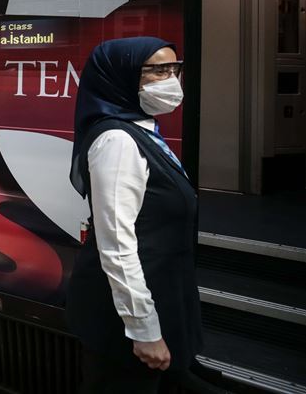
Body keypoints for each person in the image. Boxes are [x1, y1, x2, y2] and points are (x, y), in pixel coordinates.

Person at [66, 37, 222, 394]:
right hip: (121, 319)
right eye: (158, 71)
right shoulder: (117, 142)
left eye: (175, 69)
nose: (172, 81)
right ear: (122, 76)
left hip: (161, 295)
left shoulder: (142, 131)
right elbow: (117, 244)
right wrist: (143, 329)